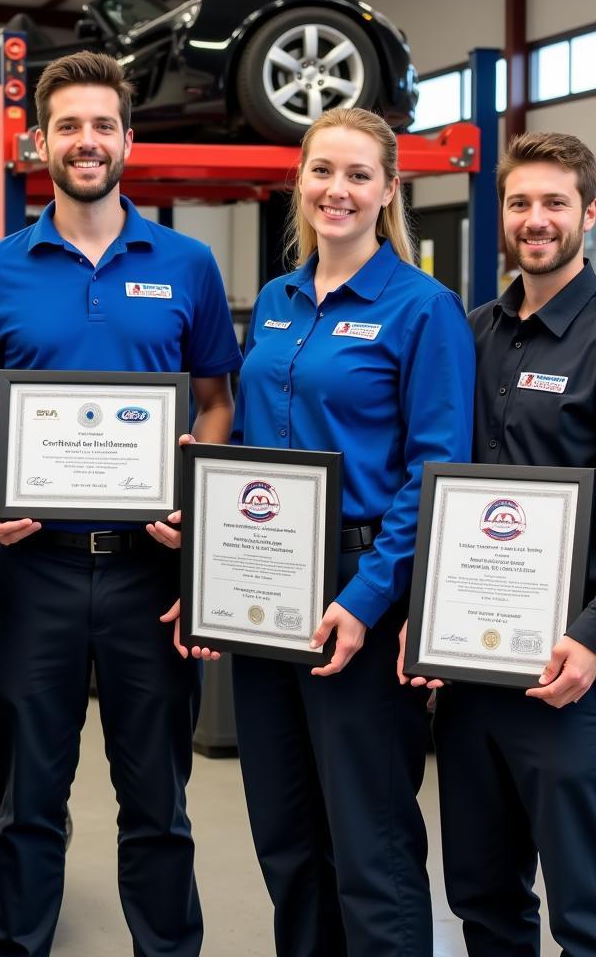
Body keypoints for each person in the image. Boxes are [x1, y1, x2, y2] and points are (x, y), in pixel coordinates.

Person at [0, 51, 241, 957]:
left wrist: (198, 477)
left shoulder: (187, 264)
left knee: (157, 802)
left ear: (126, 138)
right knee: (31, 801)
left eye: (102, 125)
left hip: (147, 575)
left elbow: (218, 400)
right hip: (33, 571)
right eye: (68, 125)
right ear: (40, 143)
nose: (86, 141)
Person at [228, 106, 474, 957]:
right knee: (287, 840)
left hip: (360, 594)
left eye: (358, 175)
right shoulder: (276, 301)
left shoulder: (423, 309)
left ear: (387, 191)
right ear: (300, 179)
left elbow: (435, 473)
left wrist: (368, 600)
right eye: (323, 170)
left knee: (370, 844)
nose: (337, 189)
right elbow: (253, 455)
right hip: (266, 588)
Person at [401, 131, 596, 956]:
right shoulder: (468, 332)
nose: (536, 219)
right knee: (483, 897)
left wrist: (591, 639)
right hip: (471, 669)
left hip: (570, 677)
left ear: (589, 213)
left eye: (555, 202)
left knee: (585, 908)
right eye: (521, 203)